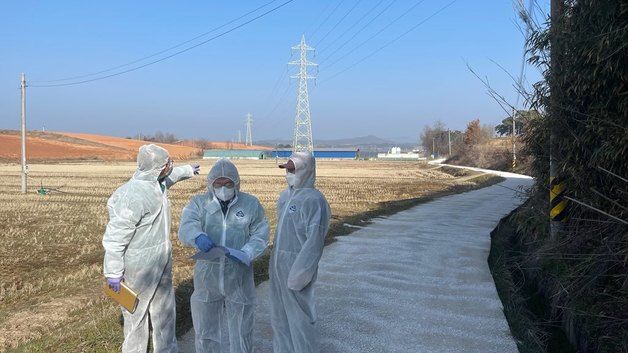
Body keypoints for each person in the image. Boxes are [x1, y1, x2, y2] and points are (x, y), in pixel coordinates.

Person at [102, 144, 200, 353]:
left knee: (164, 311)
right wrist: (113, 272)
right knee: (136, 315)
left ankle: (166, 349)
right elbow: (115, 238)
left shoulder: (157, 183)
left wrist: (189, 170)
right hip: (139, 267)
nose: (170, 165)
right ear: (158, 167)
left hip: (161, 261)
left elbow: (172, 177)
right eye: (168, 163)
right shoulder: (132, 195)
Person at [178, 158, 269, 353]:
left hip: (239, 277)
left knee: (242, 329)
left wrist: (247, 252)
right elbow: (187, 225)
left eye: (227, 183)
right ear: (210, 184)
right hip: (207, 277)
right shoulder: (199, 203)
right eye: (218, 183)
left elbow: (261, 234)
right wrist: (198, 236)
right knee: (205, 330)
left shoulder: (250, 204)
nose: (223, 187)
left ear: (236, 183)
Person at [269, 152, 331, 353]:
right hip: (278, 267)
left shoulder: (314, 200)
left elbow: (315, 241)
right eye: (287, 169)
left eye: (293, 169)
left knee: (300, 321)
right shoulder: (285, 196)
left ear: (306, 171)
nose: (288, 173)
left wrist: (300, 274)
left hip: (296, 269)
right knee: (280, 320)